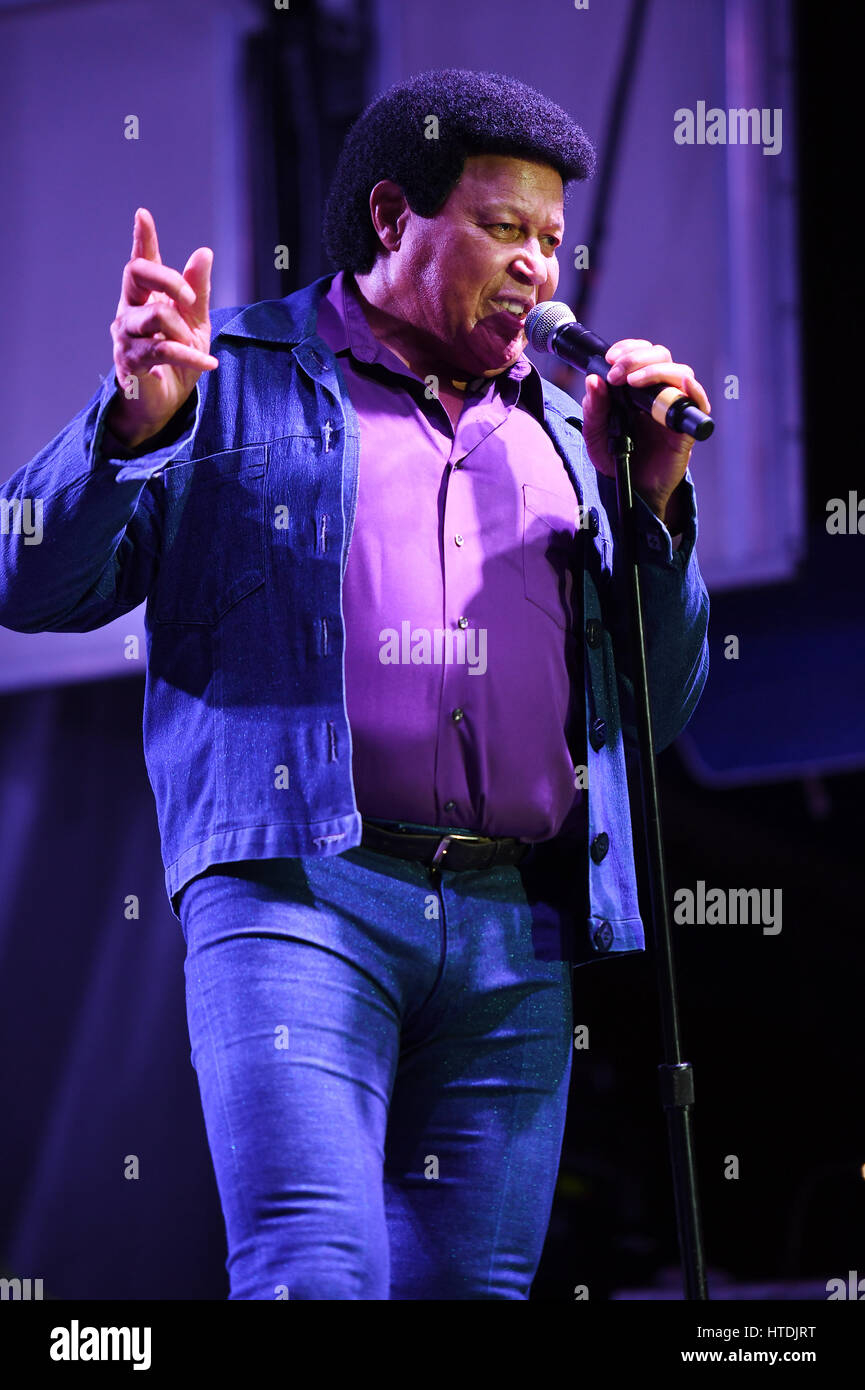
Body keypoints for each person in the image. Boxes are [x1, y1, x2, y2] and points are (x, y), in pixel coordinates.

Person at [0, 68, 710, 1300]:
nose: (537, 266)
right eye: (501, 228)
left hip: (512, 924)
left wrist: (648, 503)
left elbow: (664, 702)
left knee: (470, 1297)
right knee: (312, 1268)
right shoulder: (226, 377)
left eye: (550, 239)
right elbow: (31, 581)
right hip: (298, 893)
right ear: (391, 217)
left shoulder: (564, 434)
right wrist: (130, 429)